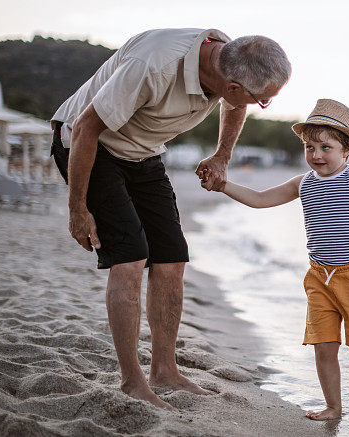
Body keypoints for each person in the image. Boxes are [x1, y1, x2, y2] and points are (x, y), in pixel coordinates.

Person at [50, 28, 291, 410]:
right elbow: (85, 127)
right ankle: (132, 381)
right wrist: (78, 210)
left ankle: (165, 370)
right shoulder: (153, 65)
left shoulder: (229, 56)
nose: (260, 104)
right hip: (89, 144)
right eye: (262, 101)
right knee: (130, 256)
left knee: (172, 256)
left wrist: (222, 156)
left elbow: (235, 106)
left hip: (143, 152)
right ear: (230, 86)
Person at [201, 98, 349, 422]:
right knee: (323, 345)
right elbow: (261, 200)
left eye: (325, 147)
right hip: (319, 277)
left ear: (346, 150)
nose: (316, 154)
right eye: (309, 146)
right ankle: (333, 405)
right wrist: (223, 185)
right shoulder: (302, 183)